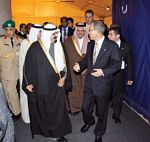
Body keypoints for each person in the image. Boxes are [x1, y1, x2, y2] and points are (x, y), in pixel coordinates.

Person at [73, 20, 121, 142]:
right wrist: (80, 64)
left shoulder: (112, 46)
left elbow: (117, 64)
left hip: (103, 85)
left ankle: (99, 133)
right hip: (89, 83)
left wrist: (103, 72)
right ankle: (89, 121)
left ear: (98, 31)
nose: (88, 32)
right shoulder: (90, 44)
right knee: (85, 108)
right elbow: (86, 61)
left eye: (91, 30)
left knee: (102, 112)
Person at [23, 23, 72, 141]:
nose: (55, 36)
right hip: (42, 86)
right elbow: (27, 67)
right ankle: (48, 132)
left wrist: (64, 78)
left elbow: (65, 65)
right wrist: (27, 83)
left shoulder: (59, 46)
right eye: (53, 34)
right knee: (46, 111)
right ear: (46, 34)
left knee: (59, 110)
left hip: (57, 85)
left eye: (56, 33)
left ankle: (59, 134)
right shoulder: (35, 47)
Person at [108, 26, 134, 124]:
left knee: (117, 96)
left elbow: (130, 63)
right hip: (107, 73)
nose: (108, 36)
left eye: (111, 34)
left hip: (119, 74)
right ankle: (100, 112)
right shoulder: (106, 45)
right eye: (108, 34)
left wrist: (131, 77)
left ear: (117, 36)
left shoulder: (126, 47)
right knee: (104, 94)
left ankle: (116, 116)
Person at [64, 22, 89, 115]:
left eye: (82, 31)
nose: (80, 33)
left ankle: (83, 106)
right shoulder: (68, 41)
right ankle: (74, 108)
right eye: (78, 30)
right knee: (74, 89)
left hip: (87, 69)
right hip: (72, 69)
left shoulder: (90, 41)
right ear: (75, 30)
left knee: (85, 89)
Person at [19, 24, 42, 123]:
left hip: (38, 75)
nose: (40, 34)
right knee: (27, 97)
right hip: (27, 76)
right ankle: (28, 118)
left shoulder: (40, 43)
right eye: (39, 32)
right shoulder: (25, 43)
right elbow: (25, 63)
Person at [0, 20, 22, 118]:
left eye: (11, 30)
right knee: (7, 92)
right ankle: (12, 109)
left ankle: (17, 112)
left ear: (14, 29)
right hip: (4, 71)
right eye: (7, 30)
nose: (9, 32)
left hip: (14, 71)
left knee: (11, 91)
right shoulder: (1, 41)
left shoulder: (20, 40)